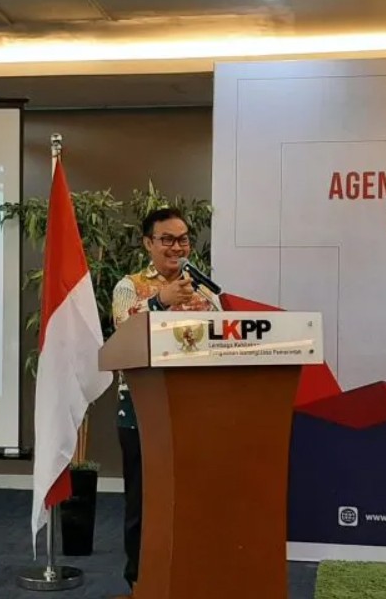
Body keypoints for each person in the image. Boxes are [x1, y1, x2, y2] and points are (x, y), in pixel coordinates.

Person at [110, 207, 219, 597]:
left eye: (183, 239)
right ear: (148, 243)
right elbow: (123, 331)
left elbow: (224, 337)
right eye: (167, 240)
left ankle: (189, 579)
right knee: (144, 505)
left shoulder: (204, 290)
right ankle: (140, 583)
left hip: (193, 411)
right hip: (142, 413)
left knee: (191, 502)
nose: (177, 247)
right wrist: (159, 301)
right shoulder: (130, 286)